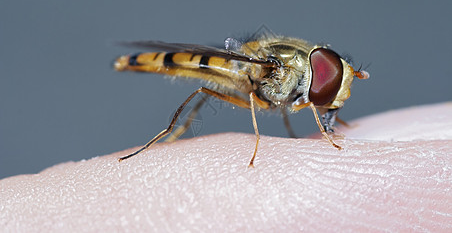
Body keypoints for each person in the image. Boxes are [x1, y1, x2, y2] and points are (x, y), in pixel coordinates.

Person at [1, 102, 451, 231]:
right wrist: (259, 142)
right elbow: (261, 98)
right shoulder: (274, 74)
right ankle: (169, 135)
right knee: (205, 86)